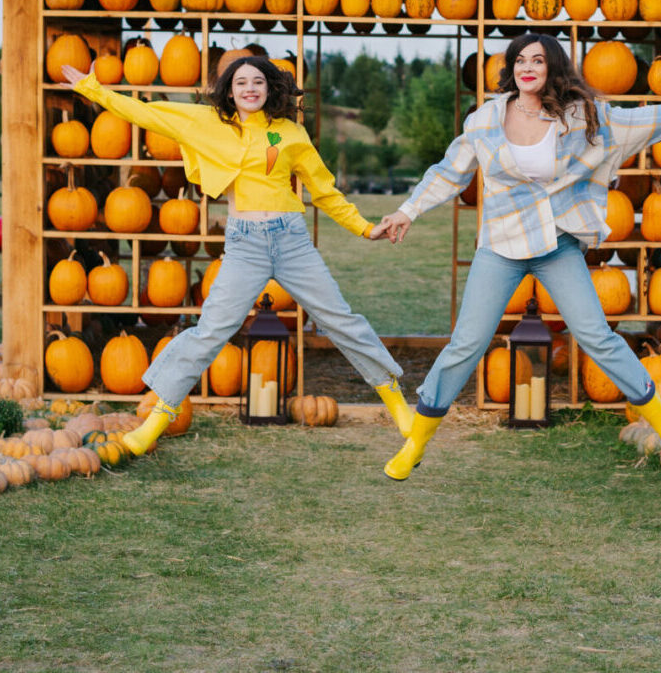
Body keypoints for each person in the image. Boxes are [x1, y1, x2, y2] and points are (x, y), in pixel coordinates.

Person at [371, 33, 661, 480]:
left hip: (556, 244)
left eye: (538, 60)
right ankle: (417, 442)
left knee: (597, 337)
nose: (528, 67)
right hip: (501, 247)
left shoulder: (581, 117)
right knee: (466, 344)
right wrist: (408, 210)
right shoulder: (486, 119)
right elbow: (449, 172)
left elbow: (648, 121)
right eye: (521, 60)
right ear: (511, 68)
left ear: (553, 68)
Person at [61, 55, 413, 456]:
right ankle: (157, 420)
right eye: (241, 82)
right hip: (245, 245)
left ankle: (396, 402)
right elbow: (146, 113)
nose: (250, 88)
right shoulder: (207, 124)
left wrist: (365, 229)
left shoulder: (290, 134)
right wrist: (93, 89)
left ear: (270, 89)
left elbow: (325, 191)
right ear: (229, 90)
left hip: (291, 240)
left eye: (258, 82)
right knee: (211, 331)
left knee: (340, 319)